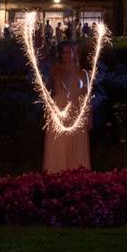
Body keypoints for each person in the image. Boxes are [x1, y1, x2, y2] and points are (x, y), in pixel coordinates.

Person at [43, 41, 91, 172]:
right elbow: (50, 89)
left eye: (69, 52)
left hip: (77, 110)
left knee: (76, 143)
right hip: (60, 109)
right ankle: (58, 171)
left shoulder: (83, 73)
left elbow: (87, 97)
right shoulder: (56, 70)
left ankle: (76, 171)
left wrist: (88, 116)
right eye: (64, 52)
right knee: (61, 143)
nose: (67, 55)